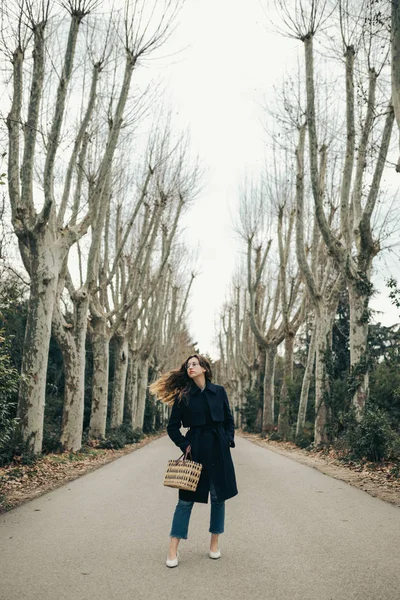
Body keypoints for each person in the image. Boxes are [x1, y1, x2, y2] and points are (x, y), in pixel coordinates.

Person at [149, 353, 238, 568]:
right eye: (188, 365)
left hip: (219, 449)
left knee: (218, 498)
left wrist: (228, 440)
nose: (191, 367)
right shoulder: (184, 396)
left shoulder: (219, 392)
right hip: (196, 449)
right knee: (185, 500)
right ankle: (173, 548)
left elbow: (228, 419)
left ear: (204, 369)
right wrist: (184, 444)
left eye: (195, 364)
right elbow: (172, 427)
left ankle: (214, 543)